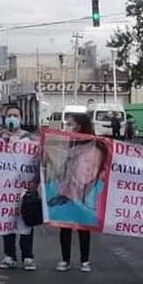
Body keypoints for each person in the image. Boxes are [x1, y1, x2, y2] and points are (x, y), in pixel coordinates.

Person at [0, 105, 38, 270]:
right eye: (9, 115)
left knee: (26, 220)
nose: (12, 118)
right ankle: (9, 255)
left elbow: (38, 159)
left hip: (25, 187)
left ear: (21, 118)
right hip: (5, 188)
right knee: (7, 221)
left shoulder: (30, 138)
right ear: (4, 119)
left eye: (15, 115)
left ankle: (28, 257)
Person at [57, 112, 97, 272]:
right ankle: (65, 259)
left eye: (71, 124)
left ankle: (84, 260)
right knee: (65, 225)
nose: (69, 127)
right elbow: (66, 163)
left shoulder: (94, 144)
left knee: (83, 226)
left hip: (85, 190)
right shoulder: (72, 143)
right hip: (68, 189)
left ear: (79, 126)